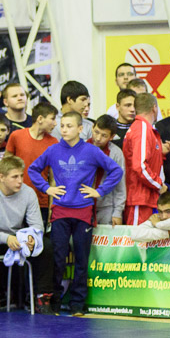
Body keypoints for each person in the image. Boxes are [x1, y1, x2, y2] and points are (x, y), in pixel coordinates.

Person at [29, 111, 122, 316]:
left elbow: (116, 171)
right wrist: (46, 188)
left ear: (81, 129)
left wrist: (99, 191)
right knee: (58, 258)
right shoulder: (53, 150)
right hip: (60, 212)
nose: (64, 129)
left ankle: (77, 304)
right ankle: (54, 302)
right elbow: (33, 169)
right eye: (62, 126)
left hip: (83, 212)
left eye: (69, 126)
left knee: (81, 259)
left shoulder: (91, 151)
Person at [0, 154, 52, 314]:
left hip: (19, 241)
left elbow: (37, 226)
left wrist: (31, 238)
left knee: (46, 246)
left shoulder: (28, 193)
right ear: (1, 177)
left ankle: (42, 298)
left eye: (21, 176)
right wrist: (6, 238)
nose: (20, 181)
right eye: (15, 177)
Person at [5, 101, 58, 227]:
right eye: (52, 119)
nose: (55, 123)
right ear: (40, 119)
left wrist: (52, 207)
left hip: (41, 201)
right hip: (15, 199)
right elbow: (5, 167)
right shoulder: (16, 136)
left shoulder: (54, 142)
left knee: (37, 237)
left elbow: (53, 179)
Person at [122, 93, 165, 225]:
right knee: (138, 237)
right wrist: (159, 184)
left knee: (146, 237)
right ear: (154, 108)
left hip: (146, 198)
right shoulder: (142, 128)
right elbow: (139, 166)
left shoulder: (143, 128)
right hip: (140, 198)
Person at [89, 115, 126, 226]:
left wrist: (117, 212)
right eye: (96, 132)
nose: (98, 138)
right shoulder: (82, 147)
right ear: (92, 127)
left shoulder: (116, 153)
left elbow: (120, 185)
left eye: (104, 135)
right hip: (84, 205)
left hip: (106, 207)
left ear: (112, 136)